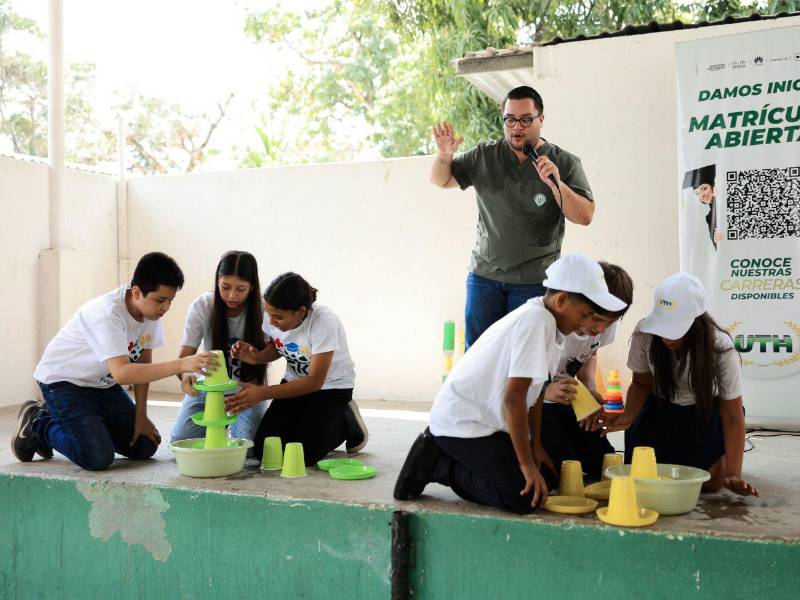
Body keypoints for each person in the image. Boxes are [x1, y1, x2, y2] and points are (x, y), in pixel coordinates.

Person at [393, 254, 627, 514]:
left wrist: (535, 446)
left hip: (490, 424)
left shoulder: (551, 324)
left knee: (547, 478)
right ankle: (441, 464)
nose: (589, 325)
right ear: (561, 301)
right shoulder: (536, 321)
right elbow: (513, 399)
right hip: (462, 424)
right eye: (586, 315)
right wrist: (526, 464)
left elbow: (536, 395)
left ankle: (463, 461)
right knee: (527, 499)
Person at [12, 252, 219, 471]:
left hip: (102, 385)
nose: (166, 307)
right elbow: (122, 373)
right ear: (137, 292)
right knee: (97, 457)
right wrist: (182, 364)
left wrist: (141, 416)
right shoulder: (107, 314)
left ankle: (84, 426)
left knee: (145, 446)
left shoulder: (150, 314)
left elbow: (143, 366)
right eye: (160, 300)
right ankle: (38, 422)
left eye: (170, 300)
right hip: (65, 384)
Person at [430, 85, 596, 348]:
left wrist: (556, 184)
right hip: (484, 278)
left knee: (526, 358)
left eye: (526, 119)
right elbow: (443, 180)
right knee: (478, 356)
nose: (517, 126)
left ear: (541, 120)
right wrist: (444, 155)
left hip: (534, 283)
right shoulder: (485, 155)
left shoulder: (564, 163)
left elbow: (585, 216)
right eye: (510, 119)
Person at [602, 273, 758, 497]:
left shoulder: (721, 348)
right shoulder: (644, 334)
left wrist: (734, 474)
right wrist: (628, 416)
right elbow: (641, 383)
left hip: (704, 410)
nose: (666, 337)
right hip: (660, 407)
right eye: (662, 327)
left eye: (675, 328)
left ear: (696, 322)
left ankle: (722, 459)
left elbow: (732, 414)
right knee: (644, 475)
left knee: (710, 482)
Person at [223, 272, 367, 465]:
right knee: (264, 450)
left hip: (331, 388)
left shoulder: (324, 322)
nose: (271, 321)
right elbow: (278, 345)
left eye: (278, 317)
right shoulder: (272, 315)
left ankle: (345, 421)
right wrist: (256, 357)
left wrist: (261, 393)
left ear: (300, 312)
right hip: (295, 382)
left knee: (304, 455)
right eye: (269, 313)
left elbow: (315, 381)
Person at [532, 261, 634, 482]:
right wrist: (547, 391)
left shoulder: (604, 324)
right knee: (561, 473)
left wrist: (590, 390)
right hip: (538, 405)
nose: (601, 329)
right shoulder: (551, 324)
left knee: (606, 465)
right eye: (599, 319)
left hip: (571, 400)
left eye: (611, 322)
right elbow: (519, 382)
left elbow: (590, 353)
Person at [171, 251, 267, 443]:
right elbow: (184, 358)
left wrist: (256, 356)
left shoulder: (263, 309)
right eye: (225, 287)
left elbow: (273, 353)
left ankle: (230, 422)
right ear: (217, 282)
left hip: (246, 387)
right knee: (182, 440)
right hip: (209, 386)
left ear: (252, 287)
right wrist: (186, 377)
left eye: (240, 289)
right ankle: (222, 422)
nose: (232, 295)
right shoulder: (203, 306)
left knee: (249, 447)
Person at [682, 164, 720, 249]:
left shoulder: (723, 203)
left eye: (704, 188)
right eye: (697, 193)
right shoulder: (709, 217)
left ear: (713, 186)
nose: (701, 195)